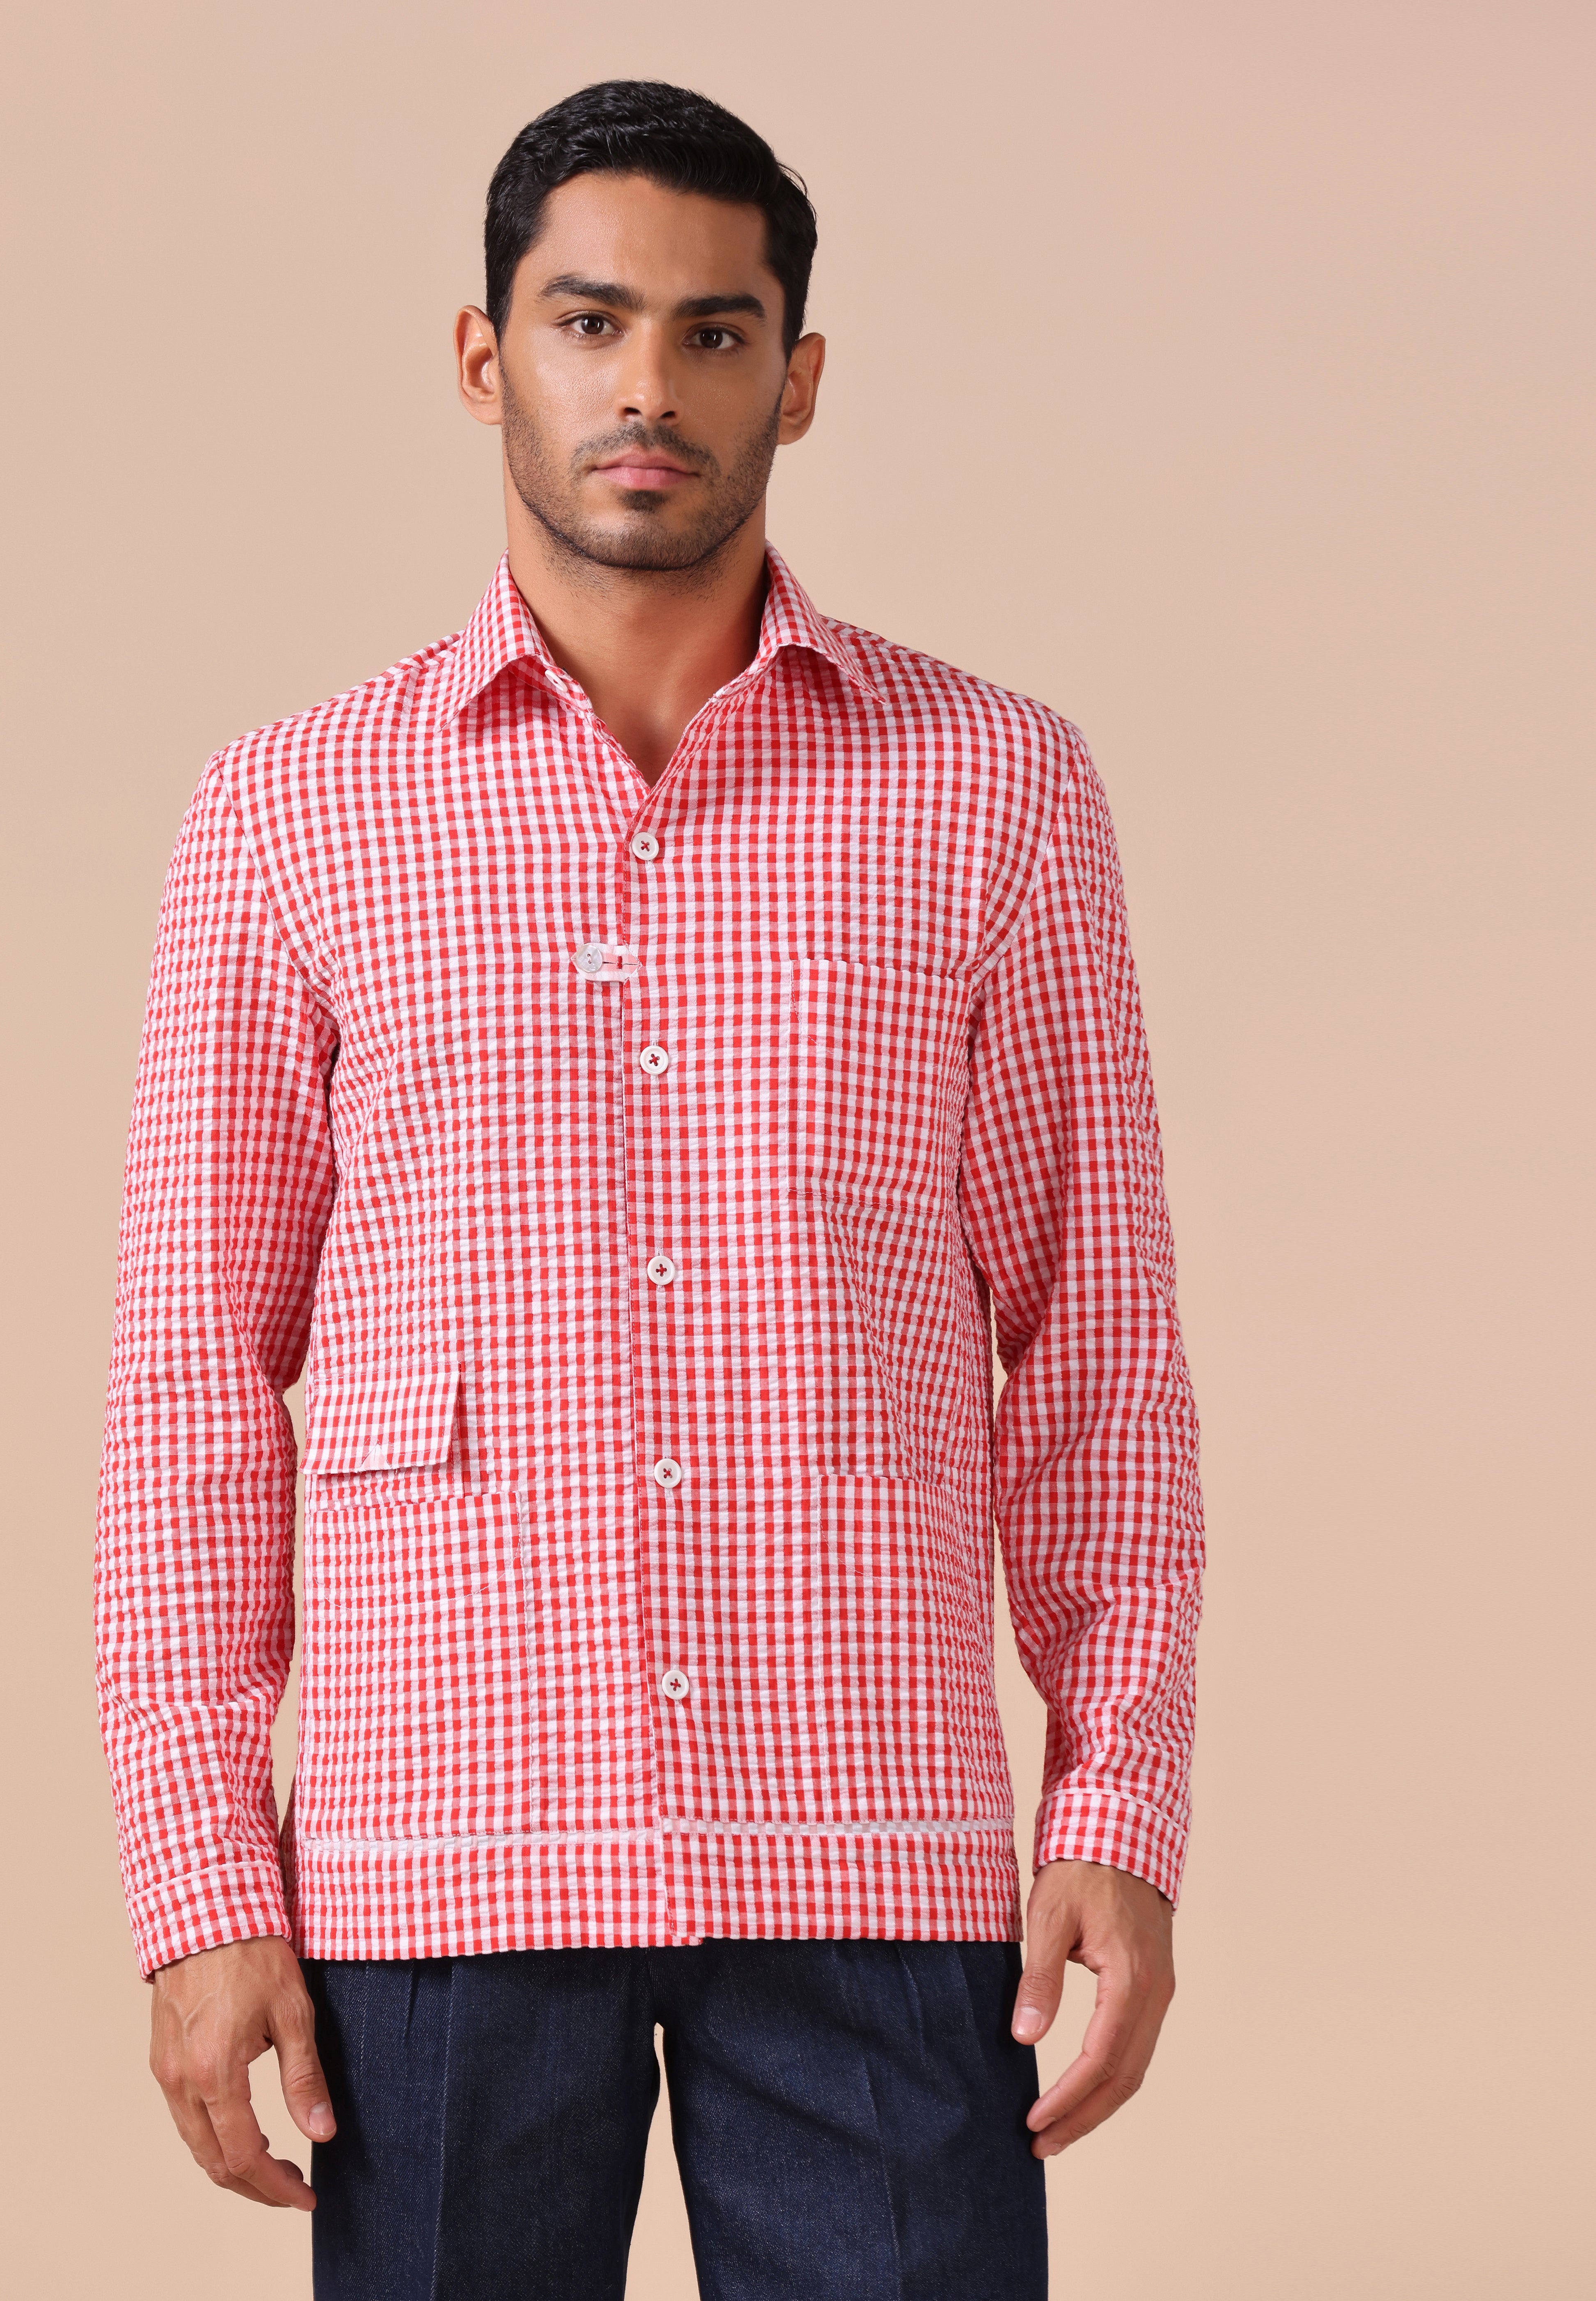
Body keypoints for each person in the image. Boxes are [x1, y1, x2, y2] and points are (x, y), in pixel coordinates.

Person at [96, 77, 1204, 2301]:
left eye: (714, 332)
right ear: (483, 355)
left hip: (870, 1844)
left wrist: (1116, 1801)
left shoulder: (992, 790)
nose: (649, 388)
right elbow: (191, 1385)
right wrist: (200, 1876)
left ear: (798, 374)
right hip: (441, 1862)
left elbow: (1097, 1343)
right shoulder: (291, 814)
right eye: (590, 321)